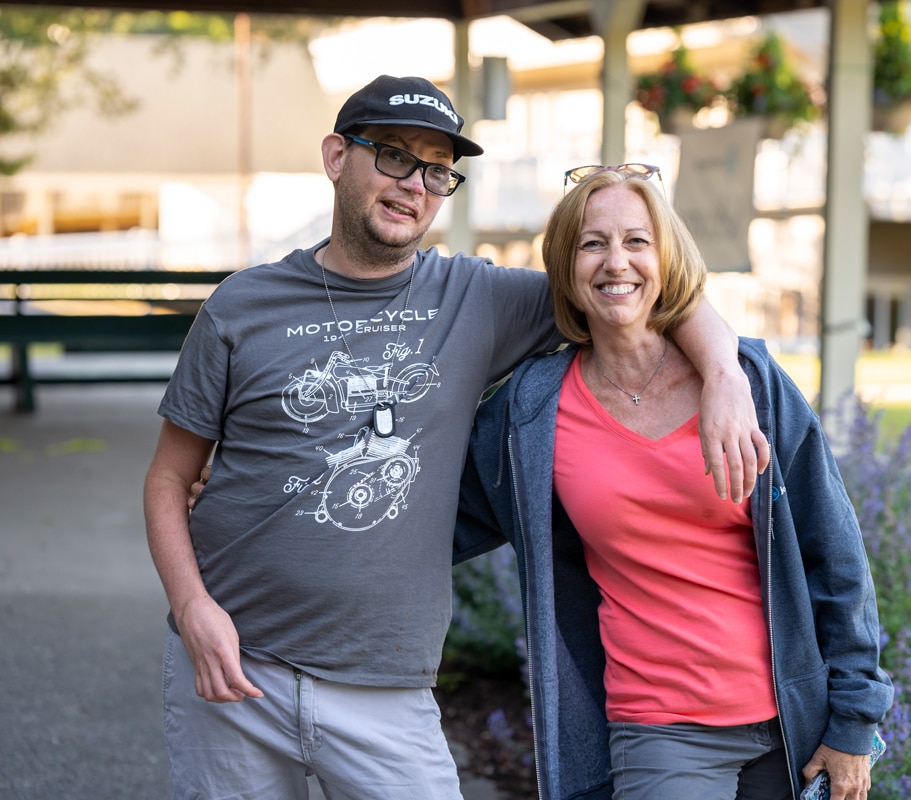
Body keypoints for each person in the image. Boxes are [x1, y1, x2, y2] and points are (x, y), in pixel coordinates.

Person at [143, 75, 767, 800]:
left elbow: (633, 288)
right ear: (337, 156)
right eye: (395, 156)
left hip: (385, 686)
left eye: (437, 170)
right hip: (229, 665)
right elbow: (166, 479)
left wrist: (725, 371)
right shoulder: (240, 306)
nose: (415, 184)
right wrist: (192, 608)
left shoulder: (476, 299)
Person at [455, 165, 893, 800]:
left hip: (792, 716)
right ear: (565, 264)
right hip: (659, 726)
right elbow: (435, 516)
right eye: (592, 243)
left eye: (637, 241)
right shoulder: (532, 410)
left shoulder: (752, 388)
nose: (616, 262)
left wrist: (855, 719)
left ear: (667, 259)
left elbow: (836, 553)